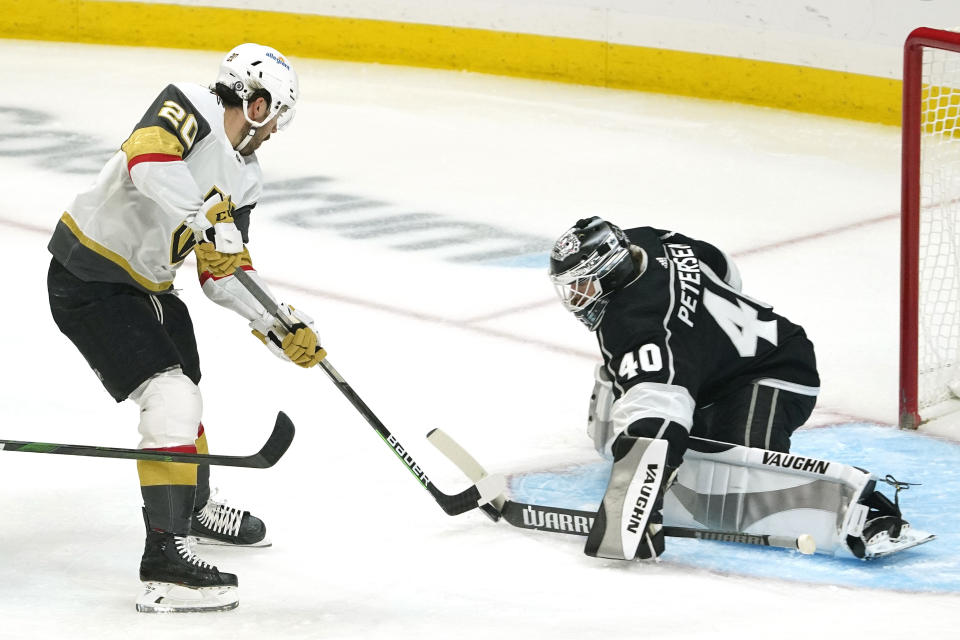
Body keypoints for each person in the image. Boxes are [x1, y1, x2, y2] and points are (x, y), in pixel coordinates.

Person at [46, 43, 325, 612]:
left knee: (188, 395)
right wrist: (201, 212)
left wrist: (277, 324)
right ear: (256, 102)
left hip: (150, 286)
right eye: (274, 118)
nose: (273, 132)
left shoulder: (246, 177)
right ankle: (164, 566)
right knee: (171, 398)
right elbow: (149, 164)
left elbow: (223, 270)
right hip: (89, 276)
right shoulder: (188, 105)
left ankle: (190, 507)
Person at [548, 217, 820, 561]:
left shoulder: (640, 324)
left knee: (738, 485)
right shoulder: (644, 241)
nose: (576, 297)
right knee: (658, 402)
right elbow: (722, 265)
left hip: (774, 367)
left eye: (583, 284)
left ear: (610, 271)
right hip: (715, 368)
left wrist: (633, 509)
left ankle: (870, 512)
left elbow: (655, 418)